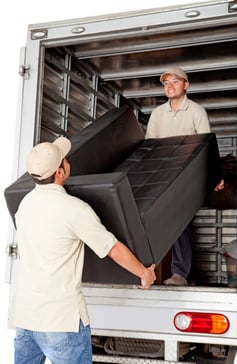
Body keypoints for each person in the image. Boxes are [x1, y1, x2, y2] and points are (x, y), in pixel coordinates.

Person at [13, 136, 156, 364]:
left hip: (26, 320)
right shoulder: (74, 209)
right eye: (65, 160)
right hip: (61, 321)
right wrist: (144, 273)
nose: (68, 161)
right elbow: (111, 248)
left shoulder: (24, 205)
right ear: (59, 172)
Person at [146, 66, 224, 287]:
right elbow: (150, 147)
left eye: (175, 82)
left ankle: (179, 273)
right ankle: (147, 270)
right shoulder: (158, 114)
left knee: (181, 224)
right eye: (166, 83)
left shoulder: (196, 111)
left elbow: (205, 145)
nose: (169, 86)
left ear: (186, 85)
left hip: (186, 177)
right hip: (162, 176)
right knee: (156, 222)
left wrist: (214, 174)